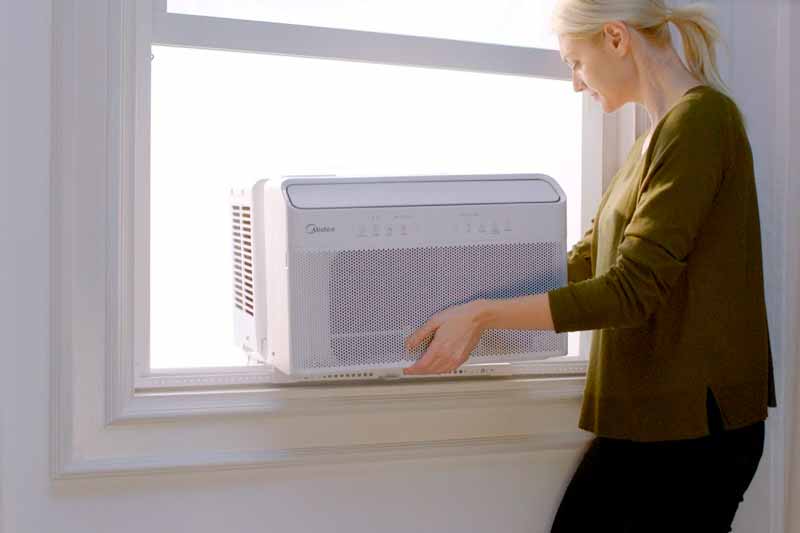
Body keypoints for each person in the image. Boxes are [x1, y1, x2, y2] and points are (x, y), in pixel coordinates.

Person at [402, 1, 777, 530]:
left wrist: (485, 316)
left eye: (575, 62)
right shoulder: (656, 135)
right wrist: (463, 300)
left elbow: (630, 290)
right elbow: (585, 262)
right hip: (655, 419)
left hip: (695, 429)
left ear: (616, 39)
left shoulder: (702, 121)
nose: (576, 82)